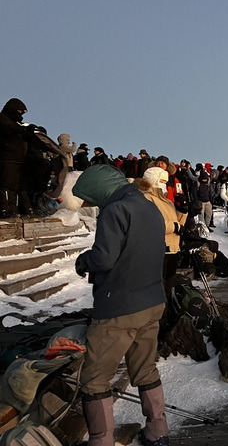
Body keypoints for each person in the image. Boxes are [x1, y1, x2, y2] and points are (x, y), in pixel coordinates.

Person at [72, 164, 170, 446]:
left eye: (89, 197)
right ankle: (158, 432)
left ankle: (101, 440)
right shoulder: (148, 206)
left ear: (99, 190)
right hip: (152, 301)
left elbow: (104, 259)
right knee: (145, 369)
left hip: (119, 308)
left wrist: (84, 260)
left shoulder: (115, 211)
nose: (89, 203)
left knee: (95, 379)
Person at [136, 166, 187, 296]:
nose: (165, 185)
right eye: (162, 182)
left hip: (173, 249)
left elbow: (178, 223)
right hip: (159, 250)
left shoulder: (167, 201)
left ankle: (167, 312)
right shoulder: (145, 198)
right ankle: (158, 315)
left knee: (168, 288)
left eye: (166, 182)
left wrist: (183, 210)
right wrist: (175, 227)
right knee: (157, 289)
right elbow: (150, 224)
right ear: (153, 180)